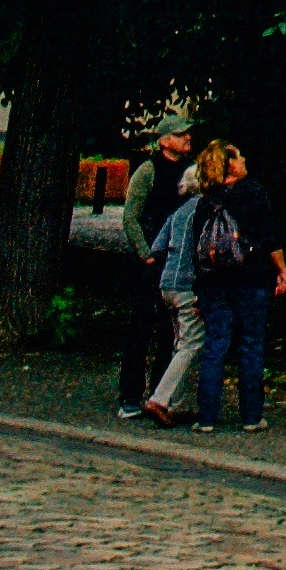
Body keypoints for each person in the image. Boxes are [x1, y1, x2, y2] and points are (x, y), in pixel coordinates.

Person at [139, 154, 225, 426]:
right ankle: (160, 399)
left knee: (181, 342)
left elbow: (157, 247)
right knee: (192, 344)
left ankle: (174, 404)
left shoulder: (177, 212)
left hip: (168, 283)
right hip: (188, 284)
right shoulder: (206, 211)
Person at [112, 132, 193, 418]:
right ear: (163, 140)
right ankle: (130, 395)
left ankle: (160, 395)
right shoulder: (148, 171)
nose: (187, 138)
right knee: (141, 327)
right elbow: (131, 215)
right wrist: (144, 252)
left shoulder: (190, 171)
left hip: (176, 261)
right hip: (151, 260)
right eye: (179, 135)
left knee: (170, 330)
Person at [193, 144, 272, 431]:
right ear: (231, 165)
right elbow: (269, 236)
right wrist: (282, 270)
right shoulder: (253, 193)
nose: (245, 158)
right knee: (251, 345)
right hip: (251, 278)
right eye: (239, 155)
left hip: (214, 282)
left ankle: (207, 417)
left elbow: (197, 246)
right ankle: (251, 415)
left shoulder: (206, 201)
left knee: (215, 345)